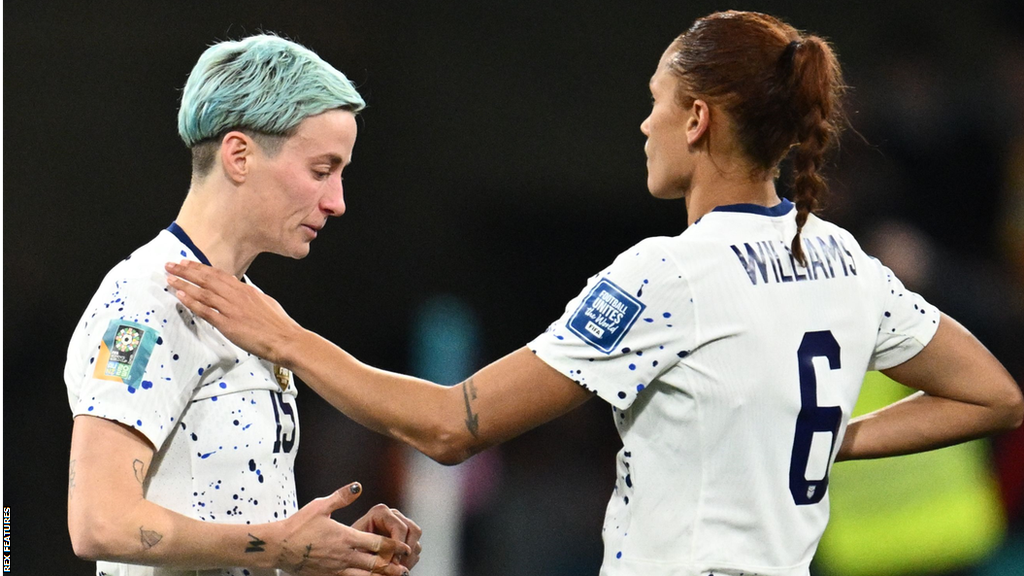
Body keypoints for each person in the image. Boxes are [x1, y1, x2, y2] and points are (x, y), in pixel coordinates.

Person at [165, 12, 1023, 576]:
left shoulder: (669, 274)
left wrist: (283, 336)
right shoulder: (843, 260)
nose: (643, 124)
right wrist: (820, 437)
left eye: (655, 103)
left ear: (697, 121)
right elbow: (993, 395)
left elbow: (451, 425)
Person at [65, 35, 421, 576]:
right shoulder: (144, 301)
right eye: (322, 170)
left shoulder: (257, 313)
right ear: (239, 155)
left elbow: (227, 522)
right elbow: (99, 521)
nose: (337, 201)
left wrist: (324, 553)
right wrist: (279, 546)